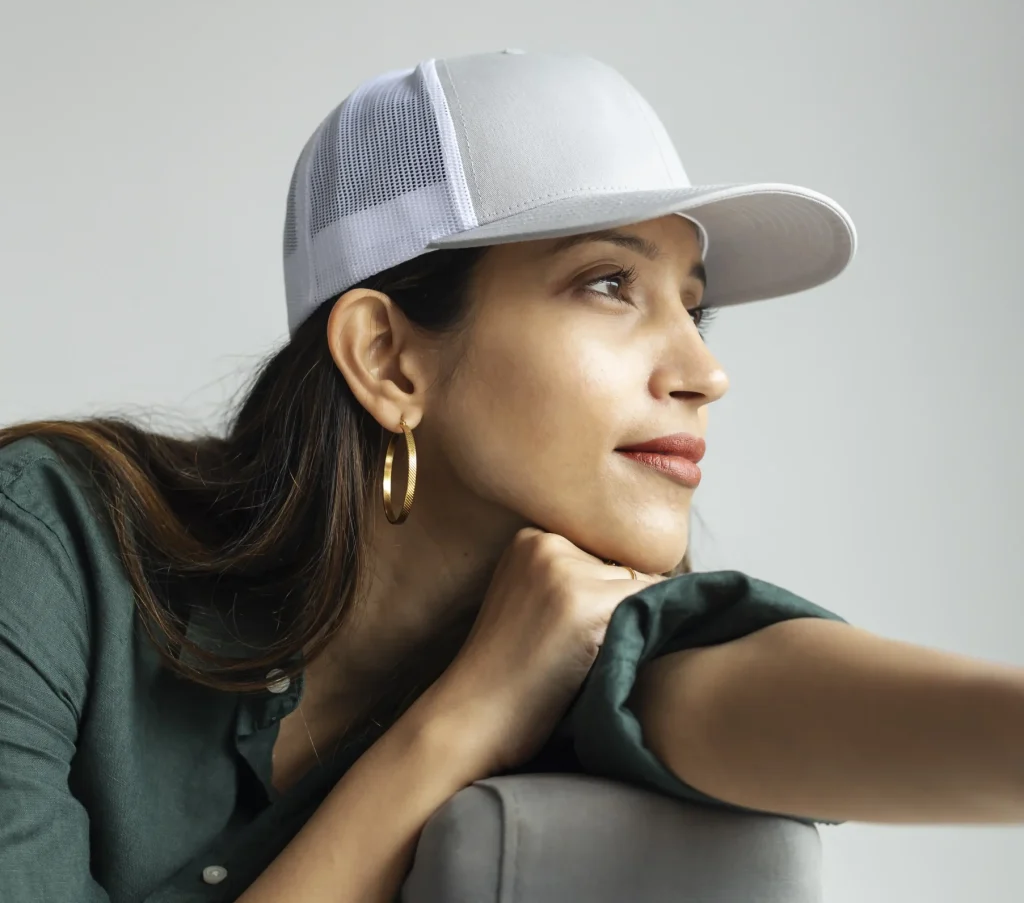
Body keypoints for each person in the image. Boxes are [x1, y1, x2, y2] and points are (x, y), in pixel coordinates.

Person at [2, 50, 1023, 903]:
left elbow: (763, 691)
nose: (704, 372)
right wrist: (459, 722)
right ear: (390, 360)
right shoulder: (50, 540)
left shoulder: (585, 628)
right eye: (609, 283)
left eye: (693, 306)